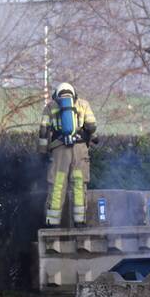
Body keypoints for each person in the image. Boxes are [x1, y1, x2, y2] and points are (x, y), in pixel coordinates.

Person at [38, 82, 98, 227]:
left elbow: (44, 131)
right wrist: (91, 139)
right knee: (78, 183)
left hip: (59, 150)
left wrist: (43, 152)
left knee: (58, 184)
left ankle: (52, 221)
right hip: (79, 149)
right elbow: (91, 126)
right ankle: (79, 220)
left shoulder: (50, 106)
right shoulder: (83, 104)